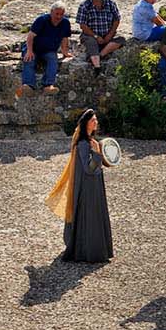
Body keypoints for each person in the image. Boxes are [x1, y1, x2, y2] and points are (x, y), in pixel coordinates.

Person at [45, 109, 114, 263]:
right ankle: (88, 252)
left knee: (95, 215)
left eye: (96, 120)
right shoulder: (83, 143)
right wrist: (97, 152)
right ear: (86, 124)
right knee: (89, 216)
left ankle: (96, 249)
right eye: (92, 120)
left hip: (95, 184)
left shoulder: (91, 140)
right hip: (88, 187)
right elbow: (88, 168)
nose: (95, 122)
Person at [17, 2, 72, 96]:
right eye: (56, 14)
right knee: (29, 60)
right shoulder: (42, 20)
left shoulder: (65, 23)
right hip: (34, 48)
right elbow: (30, 36)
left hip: (48, 50)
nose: (59, 17)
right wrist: (29, 51)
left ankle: (48, 86)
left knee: (53, 60)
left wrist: (65, 52)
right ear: (51, 12)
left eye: (61, 14)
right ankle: (28, 85)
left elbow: (64, 38)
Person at [76, 0, 122, 70]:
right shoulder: (84, 6)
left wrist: (110, 34)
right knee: (91, 42)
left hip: (108, 34)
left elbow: (117, 19)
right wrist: (96, 36)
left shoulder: (110, 3)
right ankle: (97, 66)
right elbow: (83, 25)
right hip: (91, 35)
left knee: (121, 39)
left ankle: (100, 55)